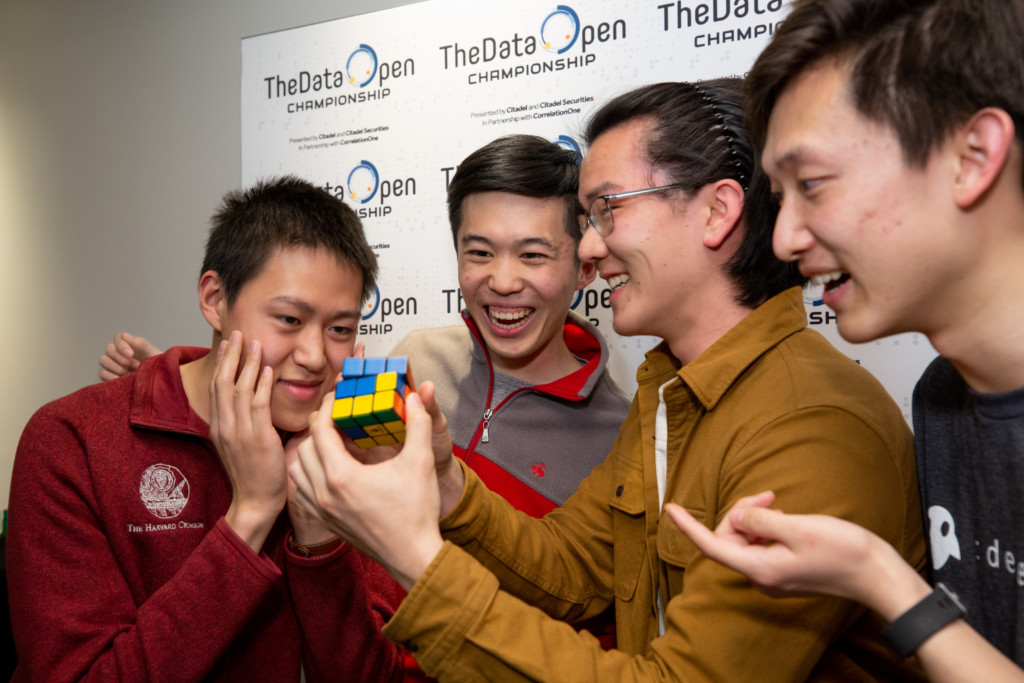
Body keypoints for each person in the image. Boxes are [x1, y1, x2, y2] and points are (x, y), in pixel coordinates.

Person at [288, 79, 928, 681]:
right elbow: (570, 567)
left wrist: (414, 558)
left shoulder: (812, 423)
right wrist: (447, 486)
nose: (590, 249)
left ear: (717, 212)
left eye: (607, 211)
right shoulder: (668, 393)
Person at [664, 0, 1024, 680]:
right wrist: (872, 571)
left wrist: (878, 577)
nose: (784, 239)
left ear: (973, 156)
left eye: (814, 184)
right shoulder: (944, 396)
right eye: (781, 196)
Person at [8, 177, 404, 681]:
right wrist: (251, 515)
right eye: (288, 319)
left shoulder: (352, 445)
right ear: (215, 299)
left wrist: (317, 533)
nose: (314, 356)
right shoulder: (70, 439)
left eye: (340, 329)